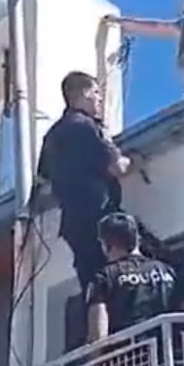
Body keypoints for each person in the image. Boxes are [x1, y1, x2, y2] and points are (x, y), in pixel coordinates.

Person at [86, 212, 184, 366]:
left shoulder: (105, 278)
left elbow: (98, 338)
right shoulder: (169, 273)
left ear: (106, 244)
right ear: (137, 239)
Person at [37, 72, 135, 292]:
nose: (100, 100)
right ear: (85, 93)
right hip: (100, 217)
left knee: (92, 284)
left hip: (73, 224)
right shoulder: (87, 127)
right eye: (97, 93)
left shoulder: (52, 136)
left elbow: (42, 178)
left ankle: (96, 321)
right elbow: (116, 167)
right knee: (126, 275)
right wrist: (131, 161)